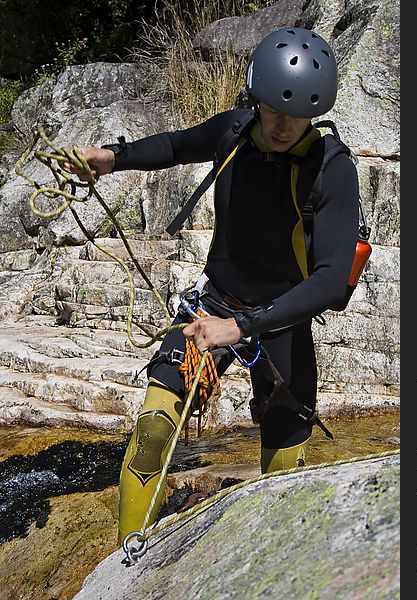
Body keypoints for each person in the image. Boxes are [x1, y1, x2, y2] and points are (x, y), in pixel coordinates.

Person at [67, 27, 358, 543]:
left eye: (296, 114)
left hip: (282, 322)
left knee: (286, 464)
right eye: (272, 108)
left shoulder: (331, 170)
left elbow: (333, 283)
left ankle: (277, 565)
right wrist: (112, 157)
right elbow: (178, 145)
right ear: (256, 97)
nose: (283, 124)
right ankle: (124, 564)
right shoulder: (235, 131)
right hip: (213, 303)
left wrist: (241, 326)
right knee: (156, 428)